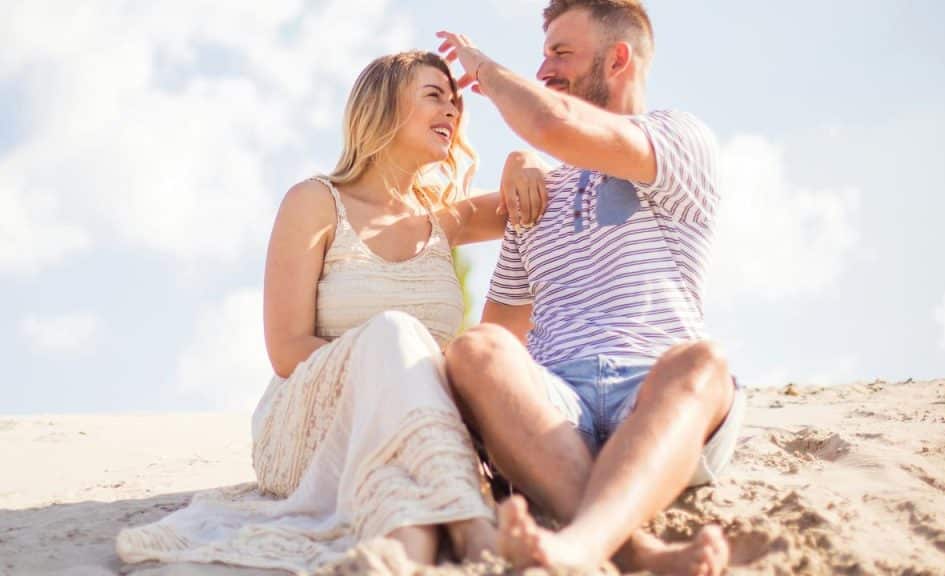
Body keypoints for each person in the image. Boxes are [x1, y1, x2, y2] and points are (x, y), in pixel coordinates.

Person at [116, 50, 548, 572]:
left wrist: (523, 160)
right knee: (393, 333)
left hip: (418, 427)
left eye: (456, 103)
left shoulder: (445, 219)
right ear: (382, 106)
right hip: (309, 424)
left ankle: (404, 551)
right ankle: (473, 527)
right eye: (434, 95)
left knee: (402, 424)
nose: (452, 111)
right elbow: (286, 350)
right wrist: (386, 370)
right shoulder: (316, 202)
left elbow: (538, 198)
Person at [438, 1, 743, 574]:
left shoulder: (679, 140)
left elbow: (554, 124)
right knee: (475, 347)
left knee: (704, 361)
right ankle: (629, 551)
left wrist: (482, 69)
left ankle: (579, 544)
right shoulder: (534, 193)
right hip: (557, 409)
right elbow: (496, 349)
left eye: (562, 52)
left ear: (619, 58)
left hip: (655, 397)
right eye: (543, 53)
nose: (545, 68)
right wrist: (523, 163)